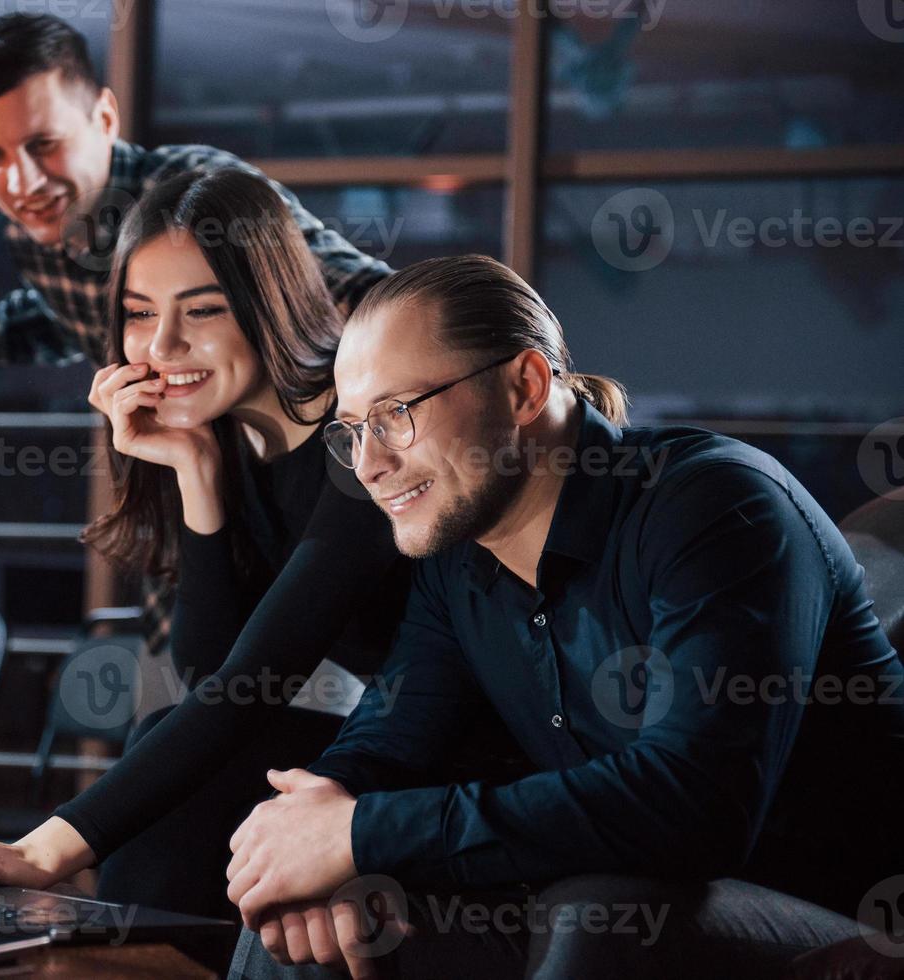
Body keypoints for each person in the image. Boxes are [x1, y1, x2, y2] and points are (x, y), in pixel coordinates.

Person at [221, 255, 904, 978]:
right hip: (613, 898)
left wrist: (361, 834)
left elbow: (694, 806)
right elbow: (388, 741)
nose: (366, 465)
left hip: (850, 919)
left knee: (601, 912)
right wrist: (317, 825)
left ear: (523, 386)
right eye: (351, 429)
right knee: (302, 928)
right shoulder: (458, 561)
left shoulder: (715, 508)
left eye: (395, 415)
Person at [0, 169, 420, 916]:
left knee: (182, 763)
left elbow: (249, 681)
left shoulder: (357, 433)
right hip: (372, 734)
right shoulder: (224, 433)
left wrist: (47, 850)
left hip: (453, 741)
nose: (163, 347)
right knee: (169, 729)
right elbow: (211, 670)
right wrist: (196, 473)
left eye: (201, 310)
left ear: (270, 303)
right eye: (138, 314)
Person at [0, 12, 394, 656]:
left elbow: (373, 297)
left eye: (43, 144)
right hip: (190, 502)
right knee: (185, 699)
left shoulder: (196, 194)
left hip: (307, 491)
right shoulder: (39, 242)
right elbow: (38, 322)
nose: (23, 182)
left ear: (103, 118)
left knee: (272, 700)